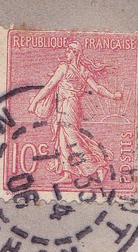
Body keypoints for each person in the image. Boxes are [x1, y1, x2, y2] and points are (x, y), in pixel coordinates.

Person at [29, 40, 122, 182]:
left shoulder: (67, 69)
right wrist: (112, 96)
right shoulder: (77, 69)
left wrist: (35, 101)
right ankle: (68, 173)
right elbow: (96, 88)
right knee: (62, 138)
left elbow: (49, 87)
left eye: (69, 51)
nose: (66, 53)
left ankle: (98, 165)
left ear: (75, 53)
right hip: (65, 106)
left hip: (70, 106)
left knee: (72, 137)